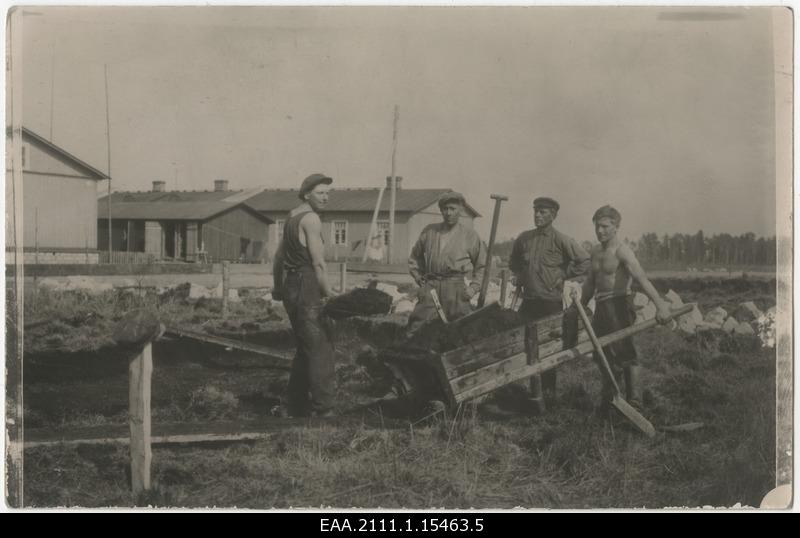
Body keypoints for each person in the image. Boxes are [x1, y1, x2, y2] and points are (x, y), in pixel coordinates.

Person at [580, 205, 672, 411]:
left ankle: (635, 401)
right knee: (602, 353)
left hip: (620, 305)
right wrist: (580, 306)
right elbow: (590, 283)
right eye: (597, 226)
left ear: (616, 227)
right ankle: (610, 399)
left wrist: (661, 307)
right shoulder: (595, 252)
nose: (600, 231)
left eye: (605, 226)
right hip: (601, 307)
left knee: (626, 352)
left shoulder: (623, 252)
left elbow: (642, 279)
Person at [509, 196, 590, 411]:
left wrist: (563, 274)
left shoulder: (561, 239)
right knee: (526, 347)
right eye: (536, 211)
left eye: (543, 212)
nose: (537, 215)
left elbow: (584, 261)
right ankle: (532, 393)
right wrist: (519, 275)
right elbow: (514, 262)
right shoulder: (524, 239)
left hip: (550, 303)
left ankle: (548, 395)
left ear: (553, 216)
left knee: (548, 350)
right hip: (529, 302)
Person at [271, 173, 338, 418]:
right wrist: (329, 293)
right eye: (320, 193)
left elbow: (278, 257)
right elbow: (318, 263)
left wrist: (278, 287)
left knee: (305, 347)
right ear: (307, 194)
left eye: (328, 193)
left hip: (291, 285)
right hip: (307, 284)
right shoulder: (311, 219)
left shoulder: (292, 216)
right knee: (320, 346)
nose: (325, 197)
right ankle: (324, 408)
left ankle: (294, 405)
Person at [407, 192, 487, 334]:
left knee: (462, 330)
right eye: (445, 209)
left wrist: (473, 288)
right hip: (431, 287)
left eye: (452, 209)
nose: (448, 213)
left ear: (460, 210)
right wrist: (419, 278)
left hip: (455, 289)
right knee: (416, 327)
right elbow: (414, 258)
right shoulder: (429, 231)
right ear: (441, 210)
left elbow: (482, 265)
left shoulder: (470, 235)